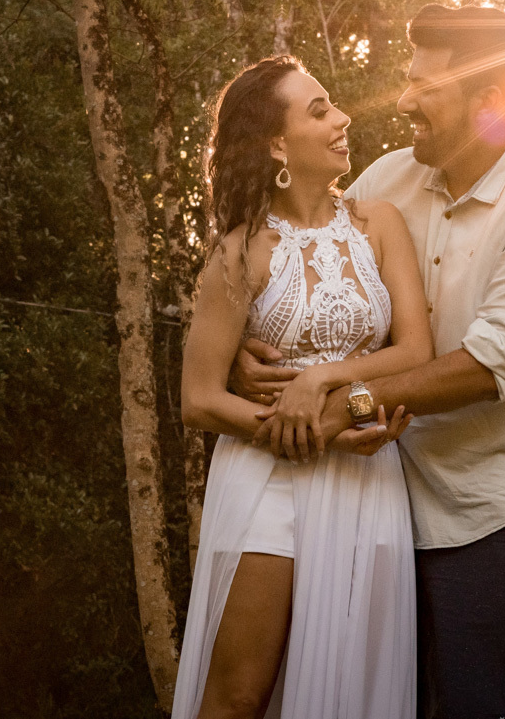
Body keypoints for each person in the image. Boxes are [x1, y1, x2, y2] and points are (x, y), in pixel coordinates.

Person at [238, 5, 505, 718]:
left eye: (422, 87)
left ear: (487, 103)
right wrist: (251, 351)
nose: (401, 101)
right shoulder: (384, 181)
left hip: (494, 517)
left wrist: (346, 404)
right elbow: (308, 276)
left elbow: (485, 367)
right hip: (378, 505)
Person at [171, 55, 437, 719]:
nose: (342, 118)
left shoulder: (381, 225)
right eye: (319, 110)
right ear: (277, 143)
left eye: (334, 103)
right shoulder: (239, 251)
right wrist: (301, 433)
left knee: (352, 695)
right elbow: (199, 397)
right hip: (268, 482)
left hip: (367, 479)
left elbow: (414, 350)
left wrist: (326, 385)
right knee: (236, 696)